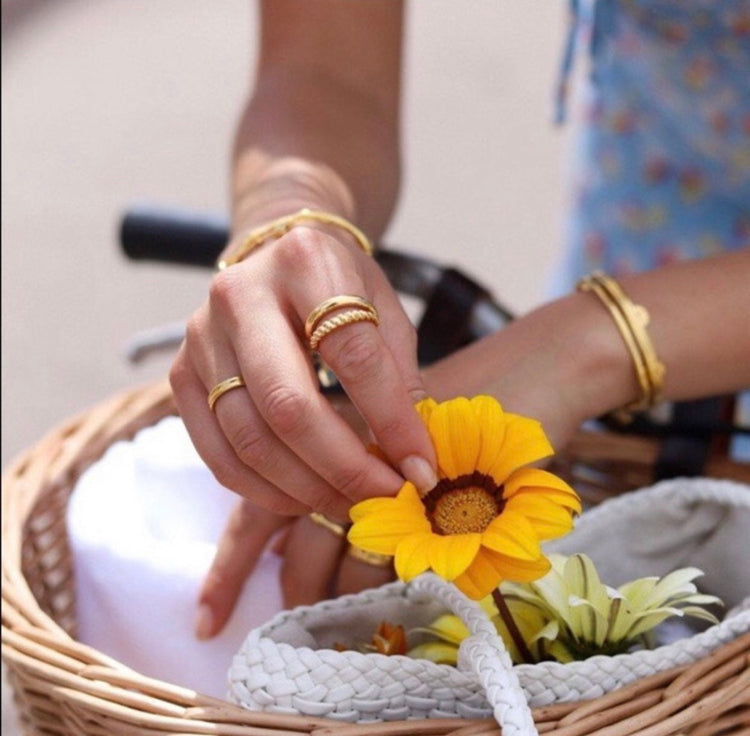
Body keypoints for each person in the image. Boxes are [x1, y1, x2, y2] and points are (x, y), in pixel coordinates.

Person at [167, 0, 750, 641]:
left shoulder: (577, 352)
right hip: (637, 250)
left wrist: (585, 347)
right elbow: (327, 69)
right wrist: (294, 217)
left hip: (609, 341)